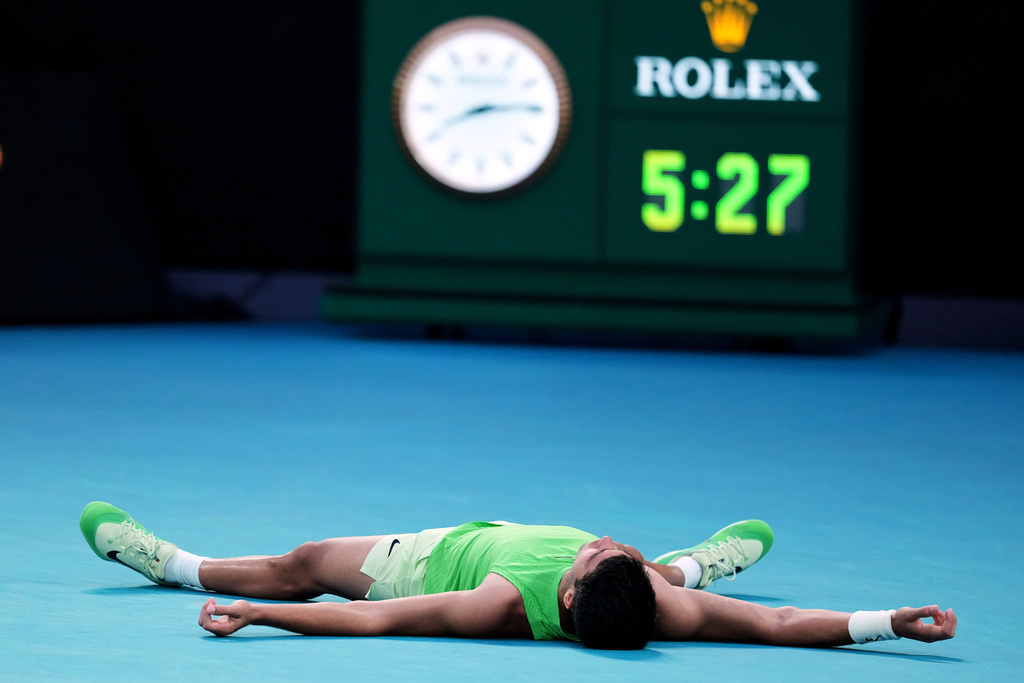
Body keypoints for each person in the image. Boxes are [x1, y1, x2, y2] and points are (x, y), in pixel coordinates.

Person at [79, 501, 956, 650]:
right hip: (644, 579)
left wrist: (265, 615)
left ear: (567, 594)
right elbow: (775, 623)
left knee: (304, 566)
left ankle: (177, 566)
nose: (602, 540)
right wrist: (886, 618)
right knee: (688, 574)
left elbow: (378, 623)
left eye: (596, 556)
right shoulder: (656, 605)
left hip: (427, 558)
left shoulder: (498, 601)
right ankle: (699, 557)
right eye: (613, 552)